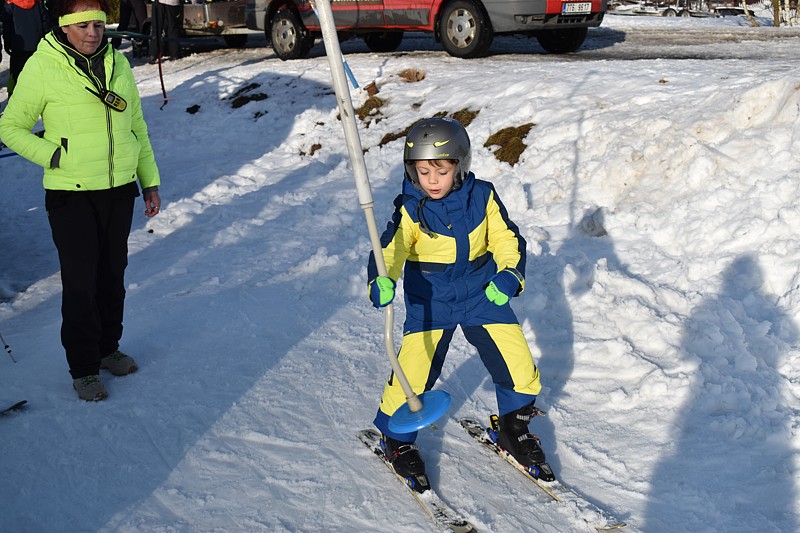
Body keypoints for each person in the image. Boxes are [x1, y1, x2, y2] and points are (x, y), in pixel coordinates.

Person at [367, 117, 546, 492]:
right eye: (423, 171)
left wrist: (510, 274)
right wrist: (381, 277)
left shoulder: (482, 196)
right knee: (413, 372)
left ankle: (514, 430)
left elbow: (506, 237)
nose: (432, 180)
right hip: (432, 300)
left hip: (482, 293)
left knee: (518, 363)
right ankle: (397, 441)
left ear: (459, 166)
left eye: (441, 171)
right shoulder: (411, 208)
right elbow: (392, 248)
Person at [0, 0, 162, 401]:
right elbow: (10, 126)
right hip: (70, 194)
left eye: (99, 25)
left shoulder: (117, 63)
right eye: (83, 25)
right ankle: (85, 368)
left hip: (118, 188)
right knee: (80, 283)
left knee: (113, 276)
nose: (93, 32)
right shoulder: (43, 65)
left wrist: (150, 181)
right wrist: (53, 155)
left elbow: (136, 125)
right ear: (65, 27)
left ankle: (109, 349)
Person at [1, 0, 53, 95]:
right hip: (37, 46)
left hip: (18, 48)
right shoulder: (38, 2)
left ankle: (14, 99)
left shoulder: (9, 4)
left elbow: (7, 26)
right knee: (36, 76)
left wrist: (7, 42)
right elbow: (46, 23)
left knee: (16, 77)